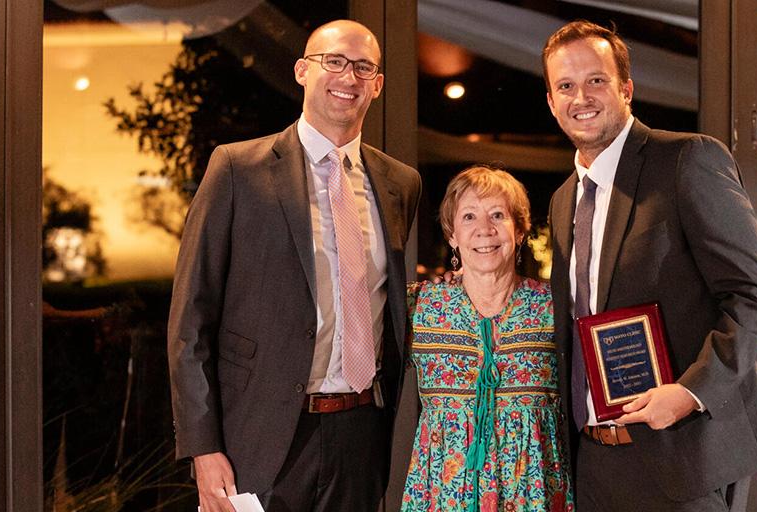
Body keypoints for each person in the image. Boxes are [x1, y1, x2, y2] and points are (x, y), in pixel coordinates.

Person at [167, 20, 421, 511]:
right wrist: (203, 447)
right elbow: (190, 321)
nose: (348, 77)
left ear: (377, 84)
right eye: (334, 61)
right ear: (303, 71)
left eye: (363, 67)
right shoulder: (237, 169)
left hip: (360, 435)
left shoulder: (400, 183)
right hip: (256, 437)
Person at [542, 20, 757, 511]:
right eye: (565, 86)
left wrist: (691, 392)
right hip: (593, 462)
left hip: (684, 456)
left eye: (596, 80)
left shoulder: (686, 160)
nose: (581, 98)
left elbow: (756, 297)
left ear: (626, 89)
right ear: (551, 102)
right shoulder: (563, 199)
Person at [401, 166, 573, 511]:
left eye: (498, 215)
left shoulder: (555, 307)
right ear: (452, 235)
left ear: (519, 231)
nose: (484, 229)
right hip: (444, 495)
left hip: (532, 494)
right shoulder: (418, 306)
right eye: (469, 216)